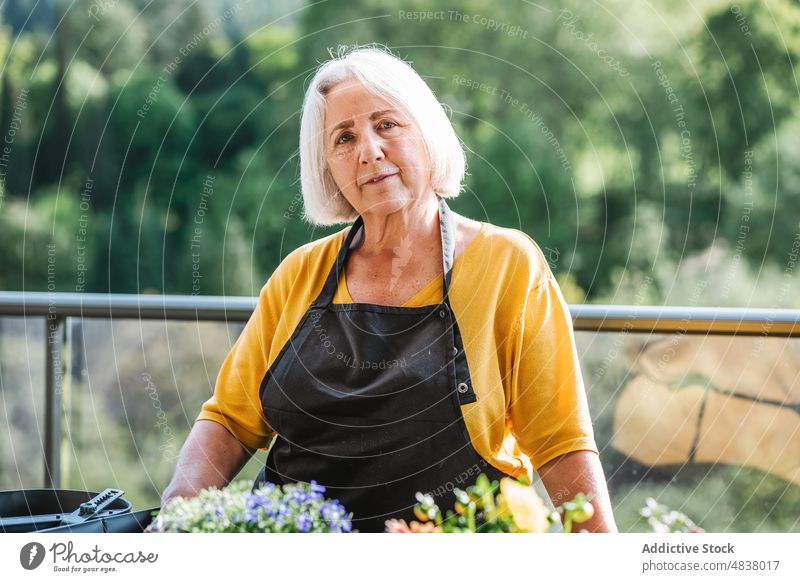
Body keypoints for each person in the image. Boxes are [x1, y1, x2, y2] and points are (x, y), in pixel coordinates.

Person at [162, 46, 618, 533]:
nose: (369, 151)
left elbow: (560, 442)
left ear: (427, 133)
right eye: (344, 138)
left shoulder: (507, 263)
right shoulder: (299, 274)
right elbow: (229, 423)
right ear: (329, 168)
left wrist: (602, 558)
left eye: (386, 125)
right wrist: (178, 510)